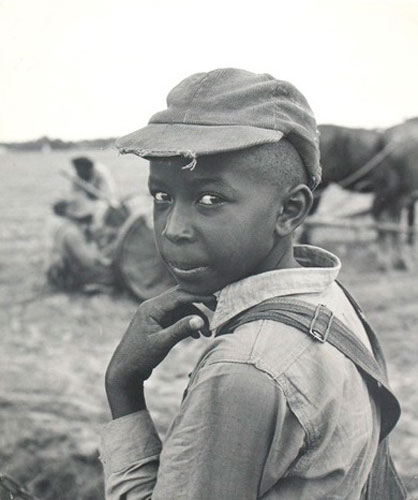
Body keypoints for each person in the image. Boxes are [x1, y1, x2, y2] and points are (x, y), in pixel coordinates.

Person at [100, 69, 406, 499]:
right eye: (162, 197)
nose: (173, 230)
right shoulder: (330, 297)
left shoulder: (244, 369)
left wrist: (123, 385)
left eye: (210, 199)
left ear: (290, 211)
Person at [47, 196, 115, 291]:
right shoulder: (73, 233)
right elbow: (88, 262)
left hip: (67, 268)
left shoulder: (68, 227)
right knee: (114, 275)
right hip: (68, 276)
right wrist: (96, 247)